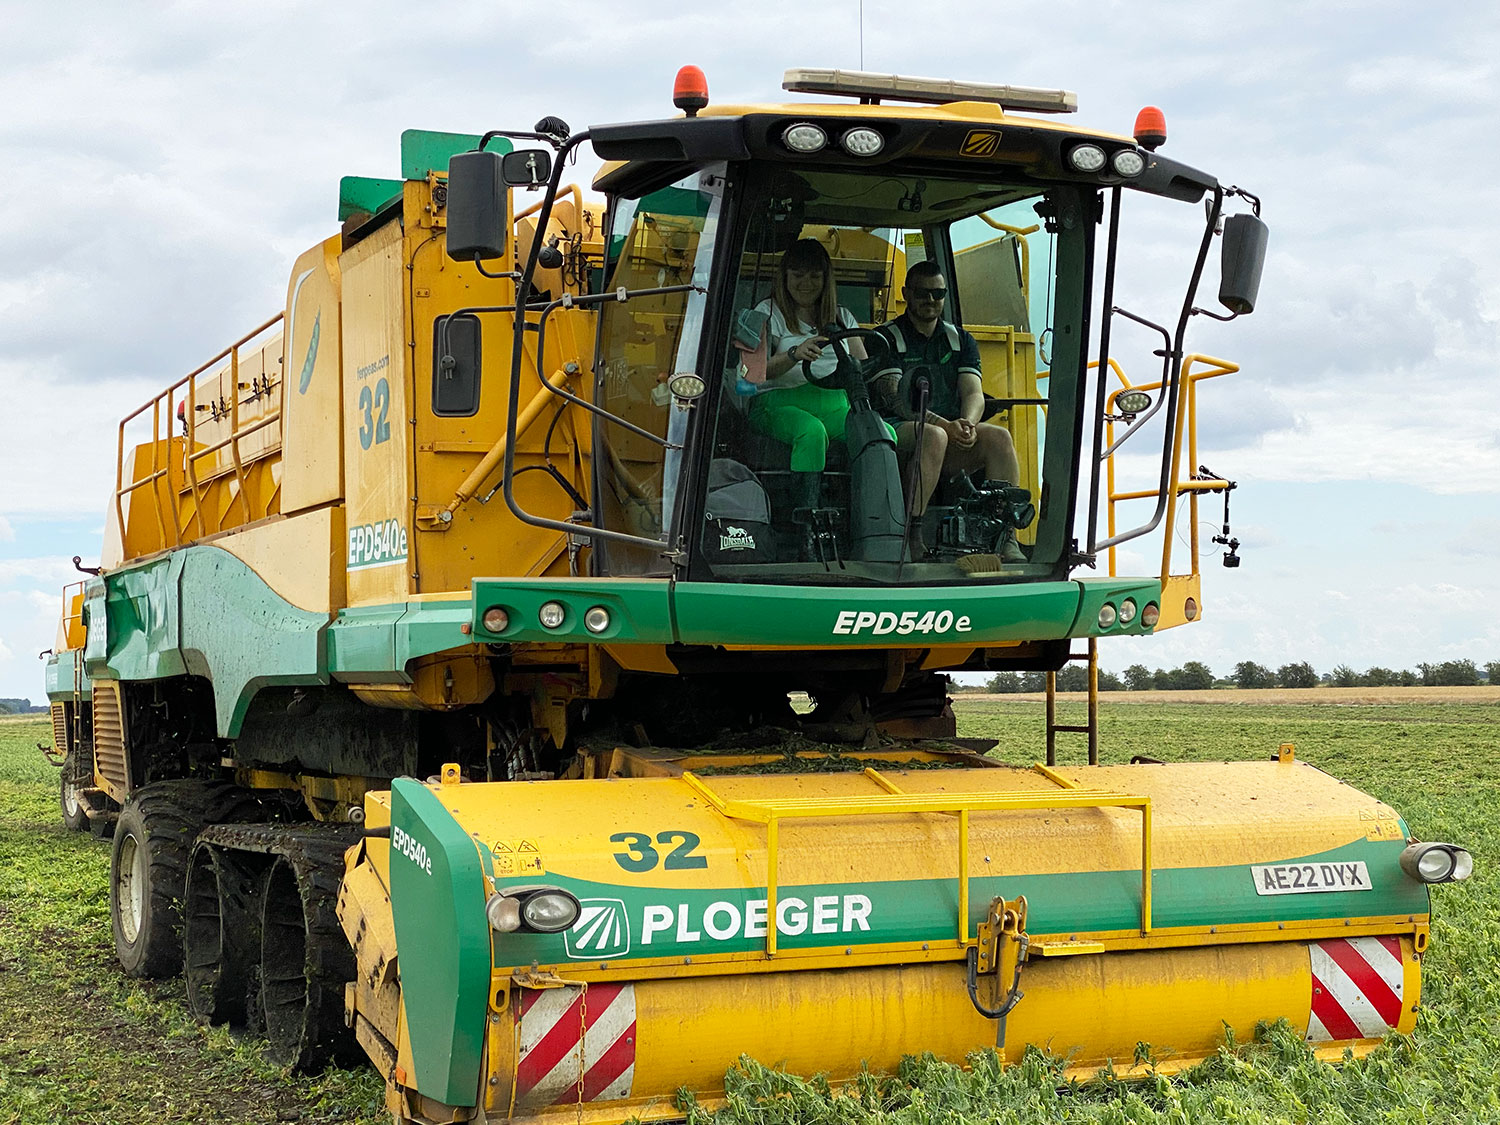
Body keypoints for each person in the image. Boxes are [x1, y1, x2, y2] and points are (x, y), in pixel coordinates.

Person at [875, 260, 1026, 560]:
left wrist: (968, 423)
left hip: (948, 433)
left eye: (938, 293)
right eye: (922, 292)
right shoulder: (886, 338)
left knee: (999, 438)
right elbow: (897, 401)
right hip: (897, 432)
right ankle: (911, 535)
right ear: (906, 293)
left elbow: (972, 392)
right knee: (933, 436)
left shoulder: (960, 340)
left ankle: (1006, 535)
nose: (931, 300)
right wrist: (946, 426)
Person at [747, 239, 869, 527]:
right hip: (777, 402)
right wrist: (793, 354)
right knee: (810, 432)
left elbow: (863, 365)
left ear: (826, 279)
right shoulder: (763, 312)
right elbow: (748, 371)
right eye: (798, 275)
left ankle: (870, 523)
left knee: (880, 432)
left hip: (835, 403)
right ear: (784, 276)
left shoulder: (843, 316)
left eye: (815, 276)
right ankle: (806, 529)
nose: (806, 283)